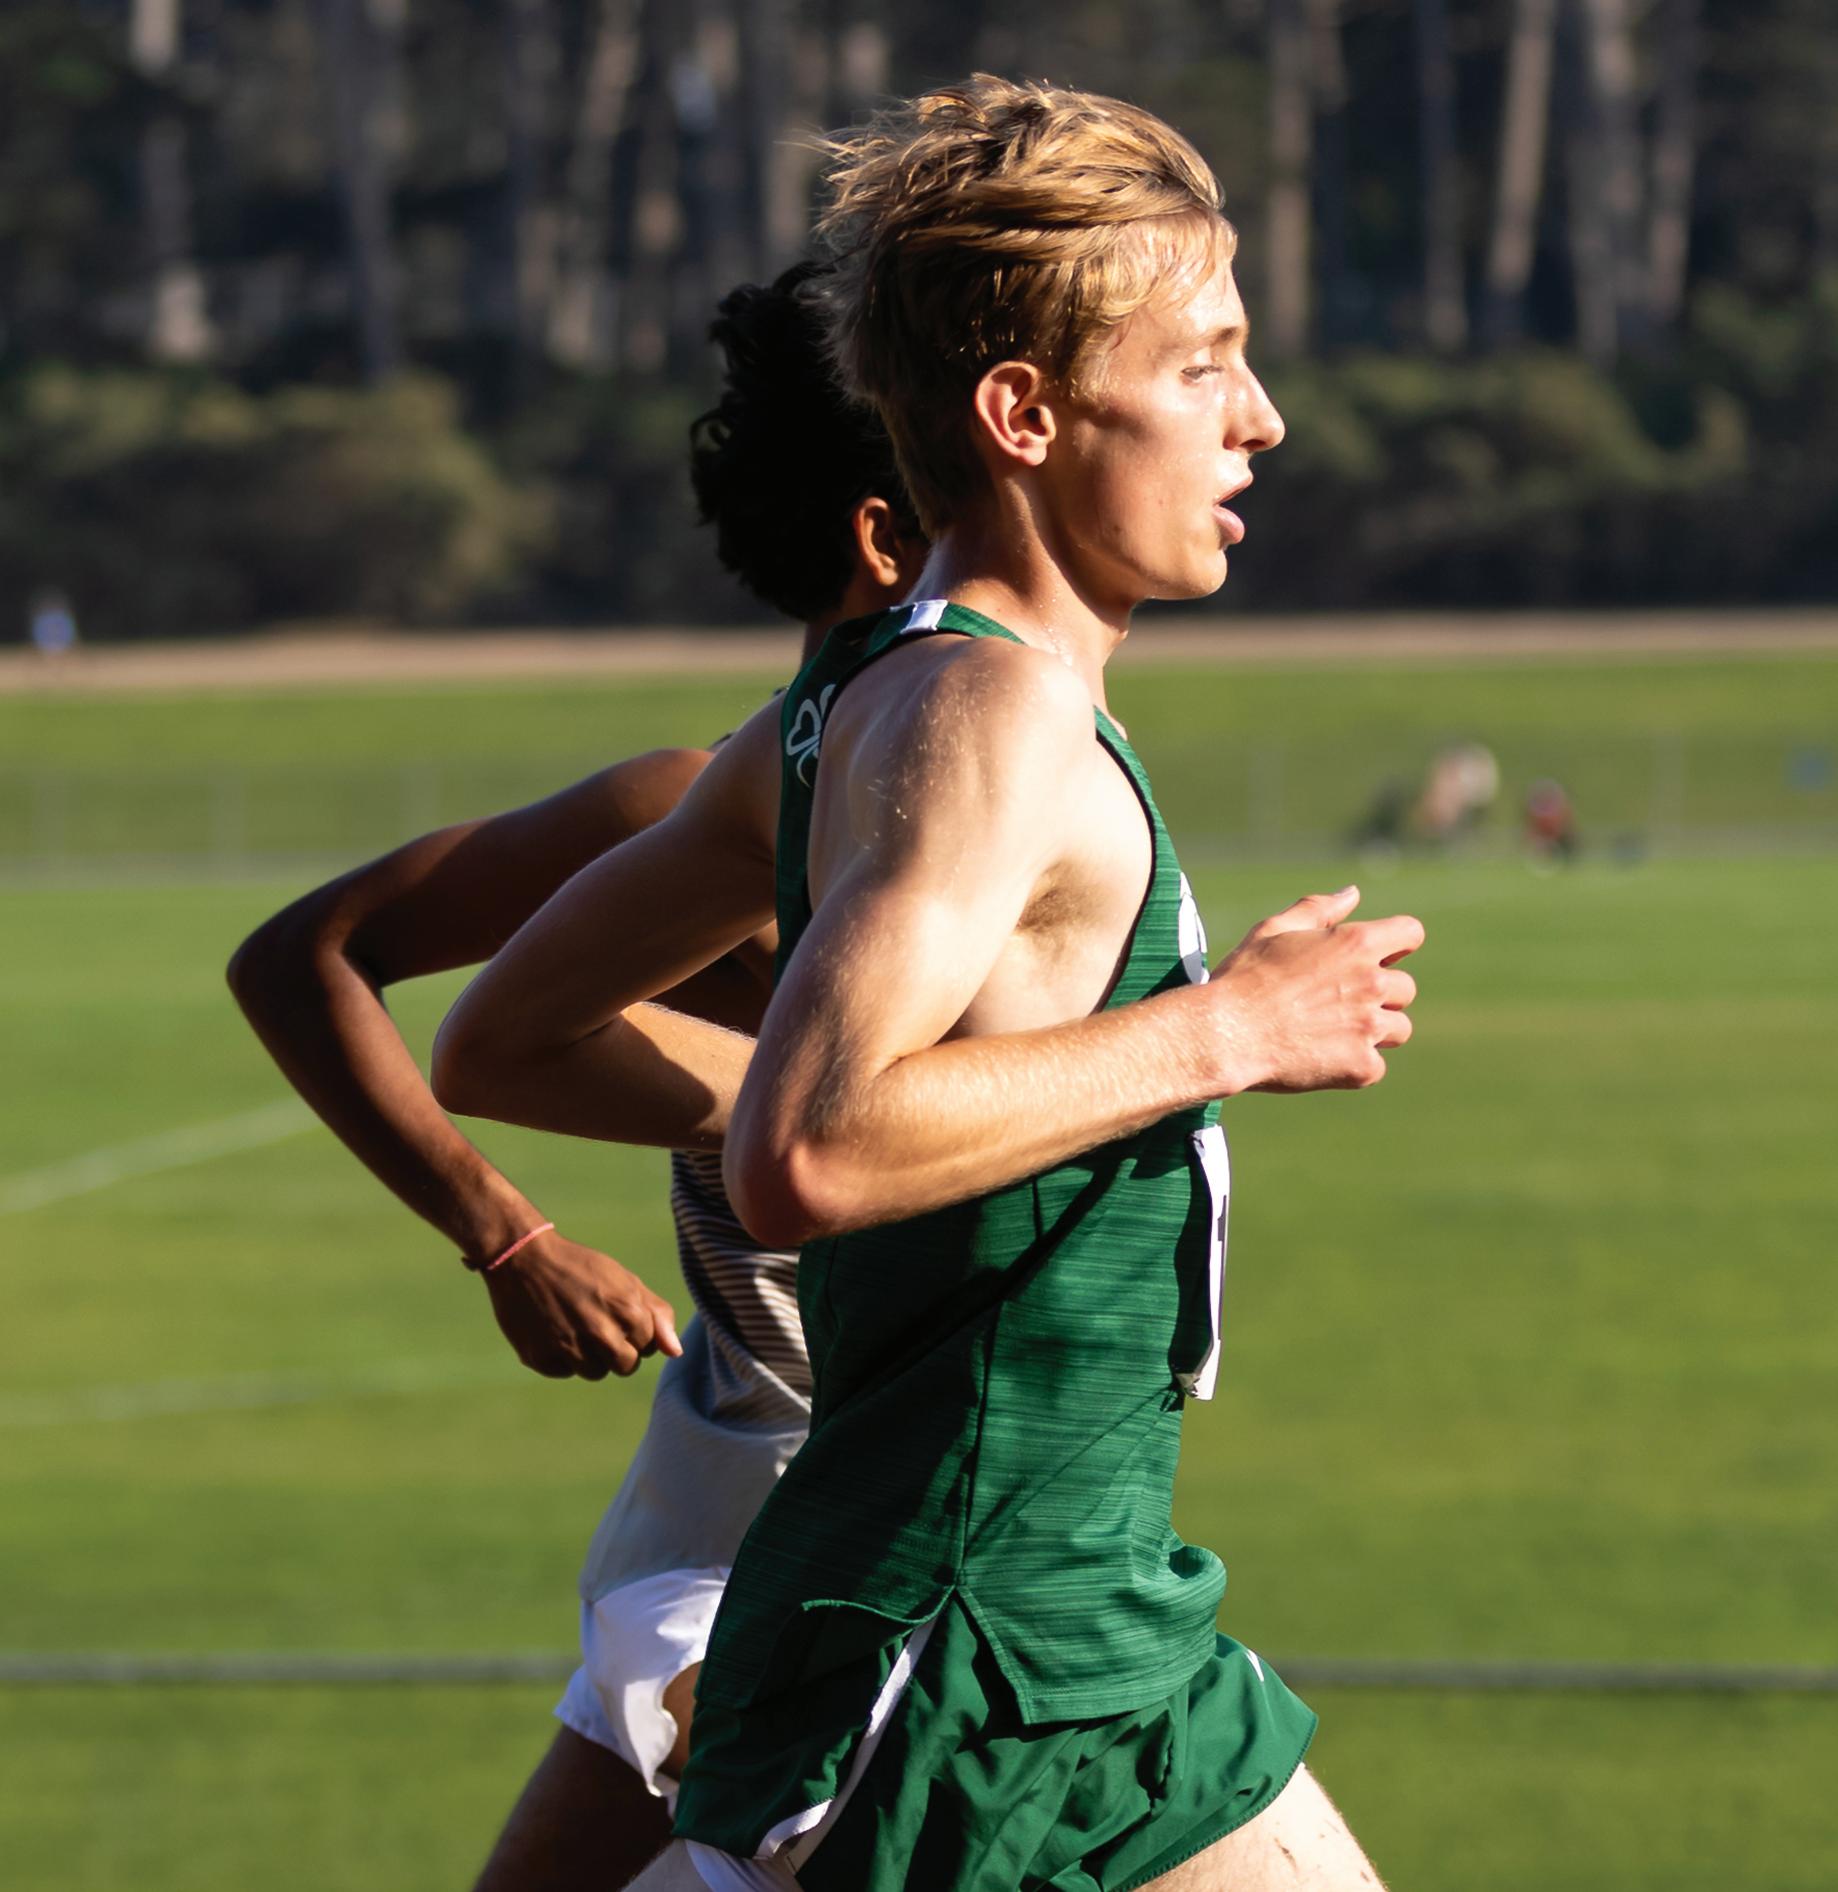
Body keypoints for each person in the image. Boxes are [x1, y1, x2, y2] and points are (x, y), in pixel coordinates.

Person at [437, 78, 1421, 1892]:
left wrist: (880, 1111)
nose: (1260, 418)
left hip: (1029, 1612)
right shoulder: (996, 711)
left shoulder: (835, 708)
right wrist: (1226, 1029)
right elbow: (807, 1155)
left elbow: (503, 1038)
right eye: (1201, 365)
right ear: (1023, 414)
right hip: (985, 1663)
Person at [226, 265, 927, 1892]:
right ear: (890, 536)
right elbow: (305, 956)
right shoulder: (712, 814)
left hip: (936, 1519)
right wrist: (509, 1238)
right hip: (776, 1529)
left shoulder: (1021, 800)